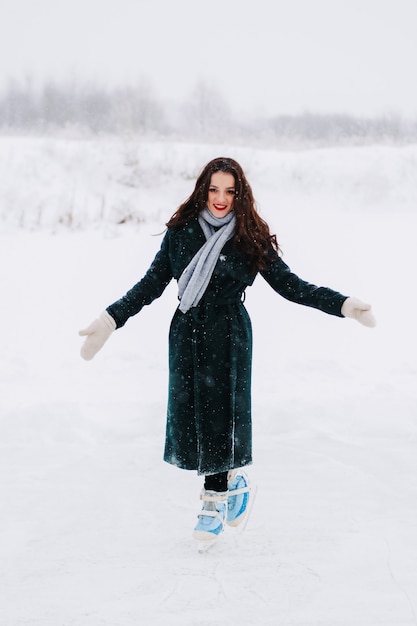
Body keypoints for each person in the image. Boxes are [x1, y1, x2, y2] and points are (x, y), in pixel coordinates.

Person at [79, 156, 376, 543]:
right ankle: (231, 479)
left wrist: (342, 304)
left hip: (228, 333)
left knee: (220, 414)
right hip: (186, 331)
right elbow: (150, 285)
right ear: (203, 189)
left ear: (241, 194)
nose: (221, 198)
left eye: (230, 191)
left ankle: (213, 499)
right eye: (214, 189)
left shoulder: (249, 235)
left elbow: (291, 285)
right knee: (193, 419)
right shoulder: (181, 232)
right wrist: (110, 319)